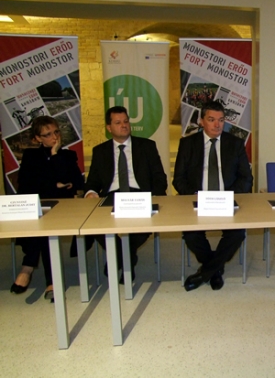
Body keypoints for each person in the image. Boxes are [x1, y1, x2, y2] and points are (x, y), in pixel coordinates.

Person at [79, 106, 167, 282]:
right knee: (94, 224)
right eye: (118, 122)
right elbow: (93, 182)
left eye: (126, 121)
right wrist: (90, 192)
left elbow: (159, 177)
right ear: (109, 127)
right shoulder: (100, 151)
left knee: (142, 226)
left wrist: (154, 196)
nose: (124, 125)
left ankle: (119, 259)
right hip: (112, 196)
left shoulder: (147, 146)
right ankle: (126, 258)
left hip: (139, 195)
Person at [173, 100, 253, 291]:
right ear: (201, 121)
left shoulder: (235, 144)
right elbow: (178, 179)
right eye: (211, 120)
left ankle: (205, 273)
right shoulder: (188, 144)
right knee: (191, 235)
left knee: (237, 233)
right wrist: (195, 196)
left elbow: (246, 178)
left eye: (221, 120)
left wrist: (228, 197)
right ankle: (215, 270)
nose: (217, 124)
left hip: (226, 200)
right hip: (199, 201)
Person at [12, 116, 84, 300]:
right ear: (38, 138)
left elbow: (76, 181)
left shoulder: (67, 155)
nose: (55, 137)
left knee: (46, 224)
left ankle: (28, 267)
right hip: (37, 204)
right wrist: (55, 185)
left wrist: (54, 154)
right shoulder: (31, 156)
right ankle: (50, 280)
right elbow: (26, 184)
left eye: (56, 132)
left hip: (62, 207)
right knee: (42, 223)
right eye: (48, 134)